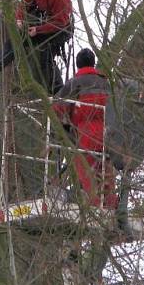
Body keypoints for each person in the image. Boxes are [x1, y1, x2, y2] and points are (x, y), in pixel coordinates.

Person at [54, 48, 117, 208]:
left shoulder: (75, 83)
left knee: (86, 170)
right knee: (106, 171)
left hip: (85, 132)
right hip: (107, 132)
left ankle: (94, 207)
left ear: (77, 64)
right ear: (93, 63)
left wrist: (64, 126)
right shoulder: (106, 83)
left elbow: (57, 108)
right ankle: (110, 206)